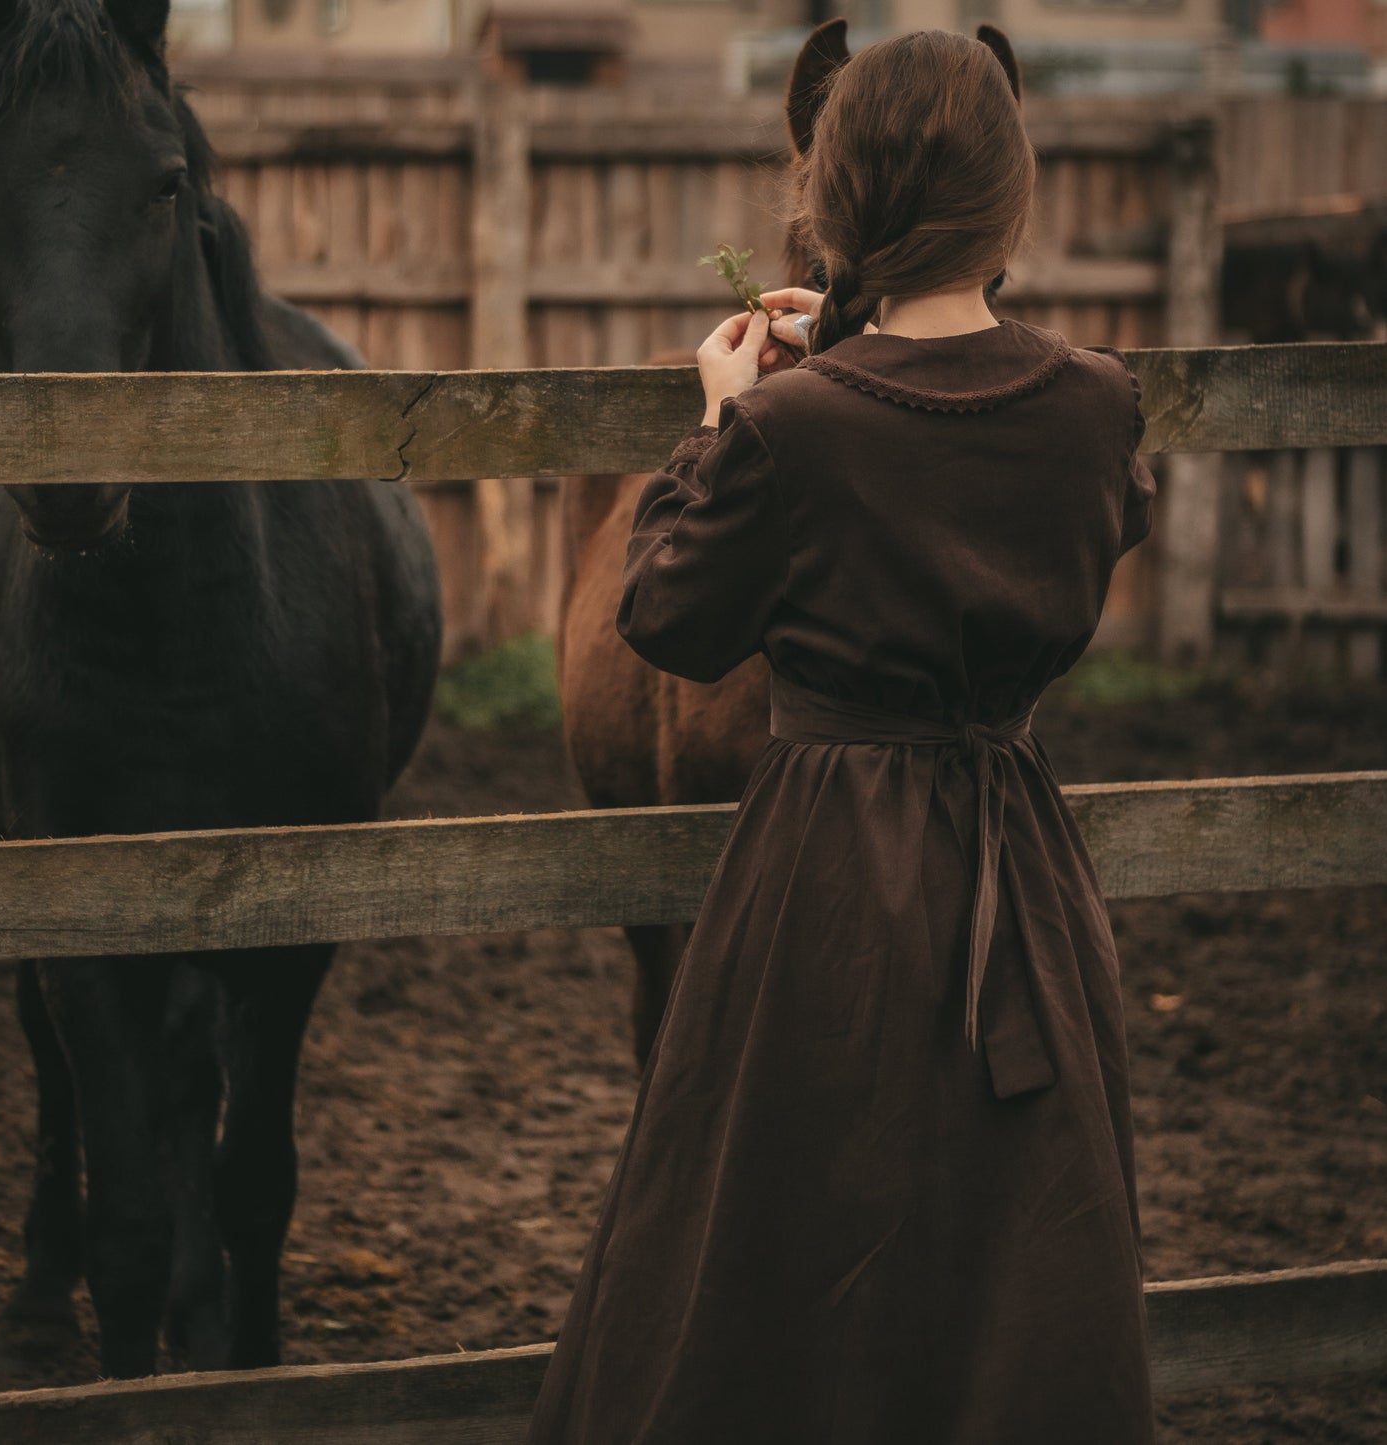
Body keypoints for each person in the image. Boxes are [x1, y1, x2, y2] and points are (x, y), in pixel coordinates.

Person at [527, 29, 1156, 1445]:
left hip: (824, 871)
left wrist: (722, 420)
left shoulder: (787, 432)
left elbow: (667, 616)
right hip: (1020, 866)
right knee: (1012, 1226)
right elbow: (1099, 516)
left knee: (783, 1223)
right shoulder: (1099, 402)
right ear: (1014, 203)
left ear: (824, 207)